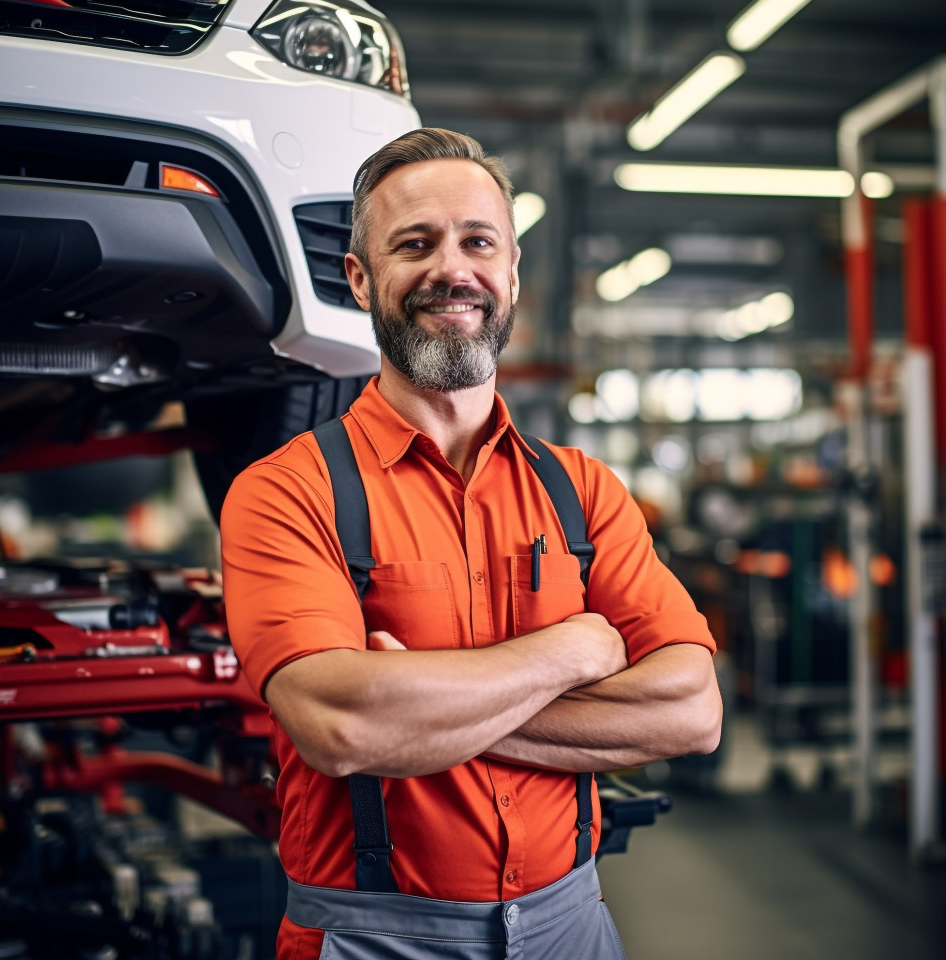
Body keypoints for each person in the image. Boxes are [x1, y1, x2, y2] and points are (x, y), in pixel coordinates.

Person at [220, 127, 722, 960]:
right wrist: (571, 649)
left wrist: (420, 717)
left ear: (511, 274)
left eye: (477, 242)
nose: (451, 269)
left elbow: (693, 711)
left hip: (575, 923)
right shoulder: (286, 491)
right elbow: (340, 725)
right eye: (414, 244)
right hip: (371, 937)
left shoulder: (584, 491)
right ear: (359, 278)